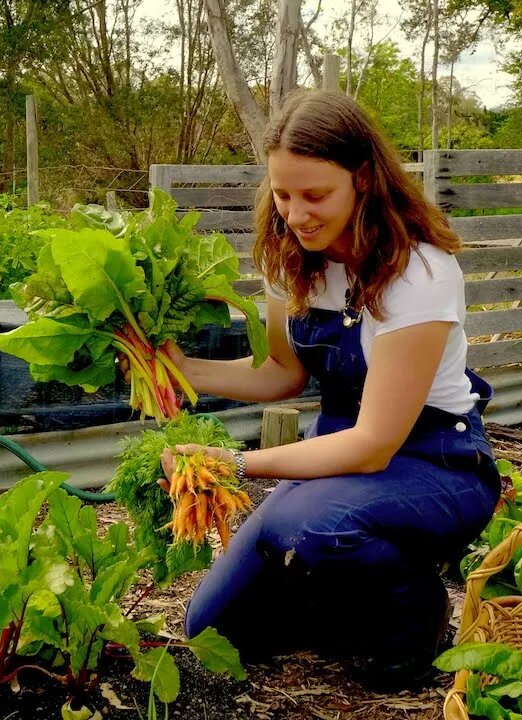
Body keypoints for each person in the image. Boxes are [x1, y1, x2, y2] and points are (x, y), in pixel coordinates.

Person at [159, 89, 502, 692]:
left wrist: (235, 465)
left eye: (316, 195)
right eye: (284, 194)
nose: (296, 213)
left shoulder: (417, 272)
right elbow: (280, 376)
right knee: (211, 626)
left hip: (434, 466)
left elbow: (373, 444)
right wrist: (178, 367)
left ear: (363, 180)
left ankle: (416, 612)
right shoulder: (290, 260)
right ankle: (341, 594)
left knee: (310, 529)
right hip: (334, 465)